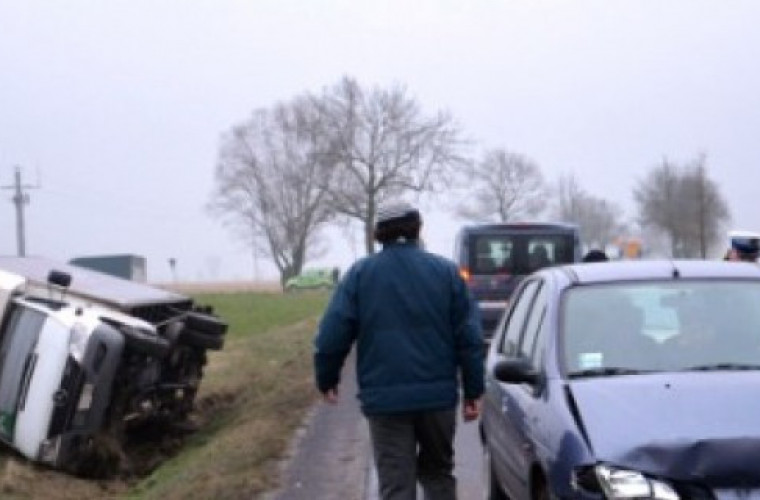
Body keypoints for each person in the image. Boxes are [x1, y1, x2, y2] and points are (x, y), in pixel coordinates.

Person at [313, 202, 484, 500]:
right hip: (437, 399)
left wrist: (327, 378)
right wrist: (472, 390)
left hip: (385, 401)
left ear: (379, 234)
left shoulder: (359, 275)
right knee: (438, 474)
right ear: (418, 229)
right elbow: (469, 337)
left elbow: (332, 334)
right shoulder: (446, 273)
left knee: (395, 484)